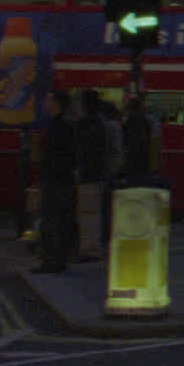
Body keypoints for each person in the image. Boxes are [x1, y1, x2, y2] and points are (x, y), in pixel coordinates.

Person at [35, 90, 79, 273]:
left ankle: (51, 260)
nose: (45, 102)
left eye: (48, 99)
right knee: (61, 220)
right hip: (64, 179)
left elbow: (55, 155)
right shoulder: (67, 124)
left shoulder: (57, 126)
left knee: (52, 220)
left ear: (56, 103)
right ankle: (58, 259)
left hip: (56, 180)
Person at [74, 88, 121, 260]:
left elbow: (87, 152)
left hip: (91, 174)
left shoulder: (89, 125)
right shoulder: (106, 125)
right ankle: (98, 245)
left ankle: (90, 249)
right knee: (101, 211)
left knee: (90, 213)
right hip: (103, 173)